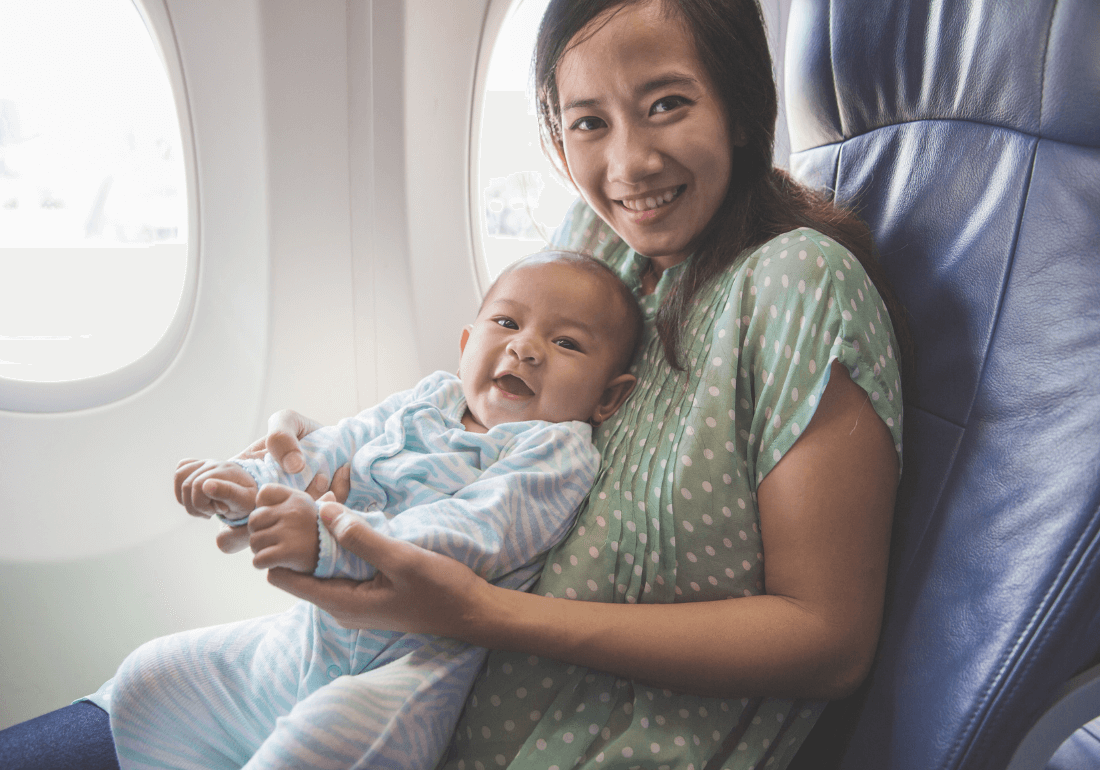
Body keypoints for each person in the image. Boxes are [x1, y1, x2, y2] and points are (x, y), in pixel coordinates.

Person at [0, 1, 904, 769]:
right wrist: (324, 449)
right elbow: (475, 425)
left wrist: (484, 613)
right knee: (143, 686)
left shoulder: (799, 282)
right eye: (589, 122)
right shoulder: (603, 246)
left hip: (549, 734)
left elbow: (825, 642)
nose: (627, 166)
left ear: (741, 108)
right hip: (366, 659)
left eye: (667, 105)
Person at [90, 252, 641, 770]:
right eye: (505, 324)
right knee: (150, 677)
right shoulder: (429, 398)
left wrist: (332, 538)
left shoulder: (556, 451)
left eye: (566, 342)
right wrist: (246, 484)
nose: (525, 348)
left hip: (406, 667)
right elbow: (334, 447)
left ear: (608, 399)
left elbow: (473, 533)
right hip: (306, 639)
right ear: (466, 342)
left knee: (329, 739)